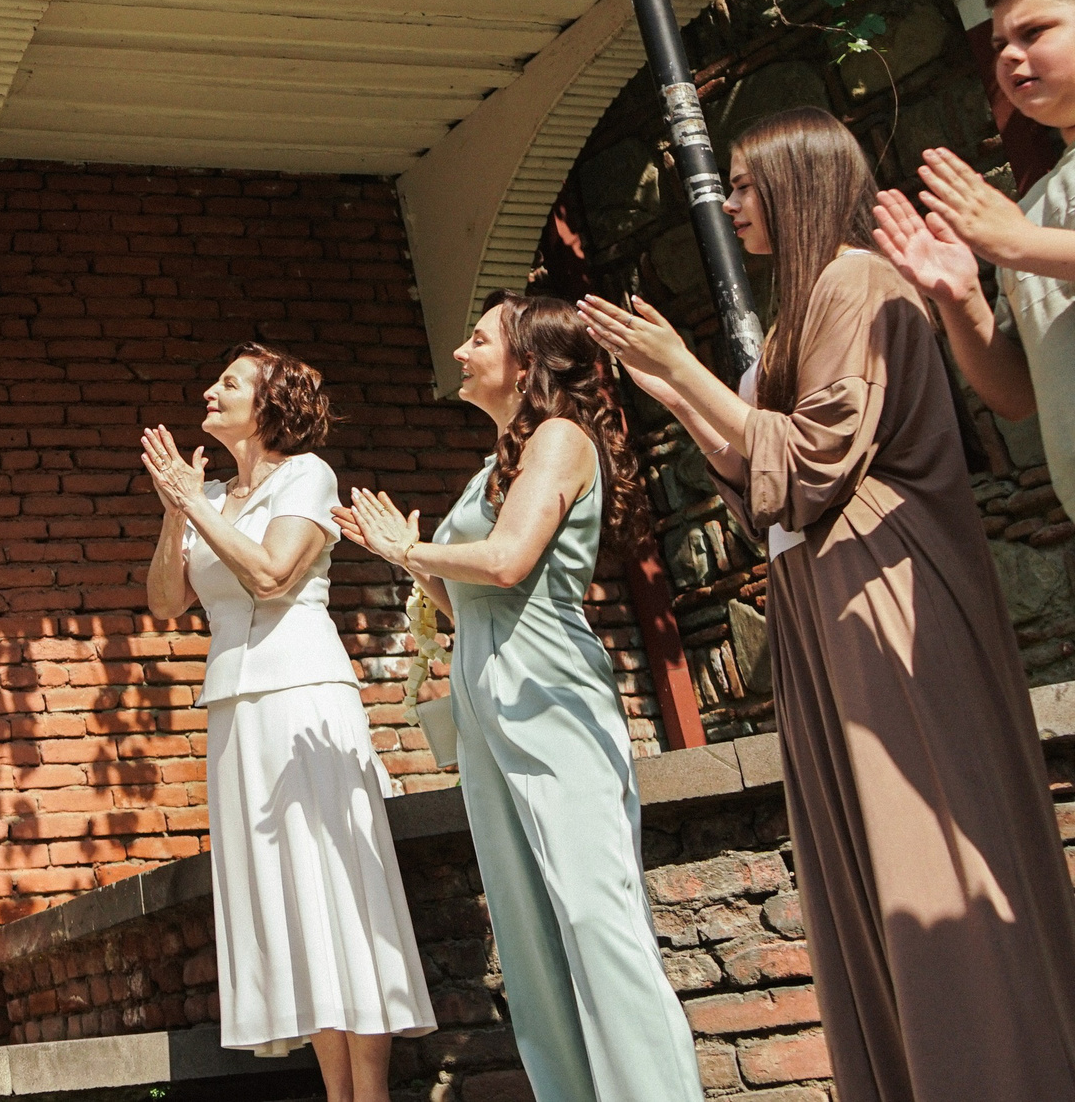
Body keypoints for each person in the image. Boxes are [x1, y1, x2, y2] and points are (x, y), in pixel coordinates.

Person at [588, 106, 1075, 1101]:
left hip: (884, 588)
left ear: (797, 184)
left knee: (921, 852)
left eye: (743, 183)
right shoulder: (808, 301)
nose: (727, 203)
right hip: (828, 587)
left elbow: (810, 463)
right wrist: (675, 391)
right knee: (865, 866)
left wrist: (685, 371)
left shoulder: (854, 281)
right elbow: (767, 468)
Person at [340, 294, 701, 1102]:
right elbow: (470, 591)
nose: (461, 353)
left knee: (593, 918)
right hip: (484, 697)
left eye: (477, 340)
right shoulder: (496, 460)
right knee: (528, 934)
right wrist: (405, 560)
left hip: (547, 689)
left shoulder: (560, 440)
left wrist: (414, 542)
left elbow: (508, 561)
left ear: (527, 362)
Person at [140, 347, 432, 1099]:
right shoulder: (206, 493)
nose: (209, 389)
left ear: (272, 403)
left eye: (229, 382)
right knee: (289, 901)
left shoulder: (309, 474)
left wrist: (196, 503)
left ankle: (369, 1093)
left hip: (303, 697)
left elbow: (272, 578)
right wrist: (179, 509)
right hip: (236, 711)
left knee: (335, 889)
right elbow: (167, 602)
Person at [874, 0, 1075, 501]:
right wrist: (961, 301)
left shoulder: (1020, 229)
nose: (1008, 56)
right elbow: (1017, 397)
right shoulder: (1032, 207)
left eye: (1033, 33)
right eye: (999, 44)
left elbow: (1023, 244)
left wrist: (1018, 245)